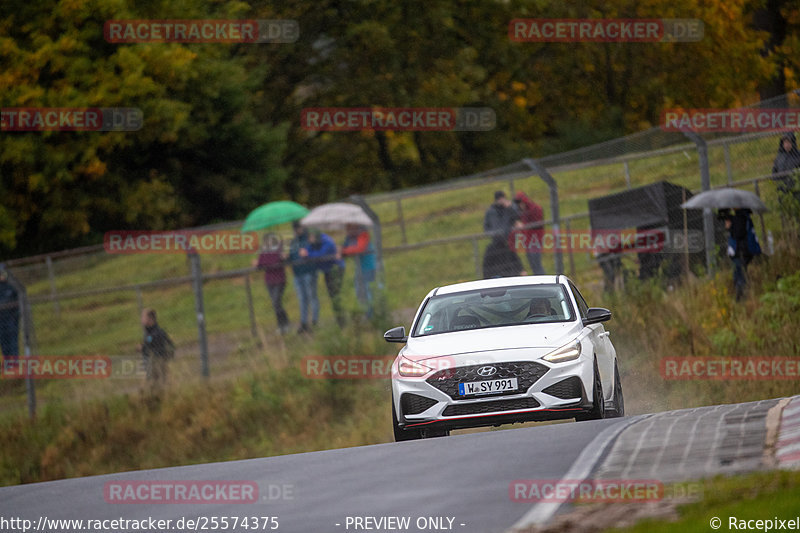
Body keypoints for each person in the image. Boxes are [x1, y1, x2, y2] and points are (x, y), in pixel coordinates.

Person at [306, 229, 346, 327]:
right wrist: (308, 253)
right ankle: (340, 319)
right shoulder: (314, 243)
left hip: (336, 270)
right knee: (332, 295)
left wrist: (308, 254)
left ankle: (342, 320)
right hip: (327, 271)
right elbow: (307, 251)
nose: (310, 239)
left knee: (335, 294)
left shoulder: (328, 242)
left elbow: (321, 255)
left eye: (311, 237)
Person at [253, 233, 290, 335]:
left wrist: (284, 257)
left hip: (279, 280)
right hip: (269, 281)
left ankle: (284, 324)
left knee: (276, 302)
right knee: (276, 304)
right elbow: (260, 265)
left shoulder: (279, 250)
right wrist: (256, 264)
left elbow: (283, 261)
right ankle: (283, 324)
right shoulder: (264, 252)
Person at [722, 208, 762, 301]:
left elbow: (738, 234)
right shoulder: (745, 216)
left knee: (739, 274)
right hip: (744, 251)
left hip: (741, 251)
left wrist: (730, 227)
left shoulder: (740, 217)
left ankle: (742, 297)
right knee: (739, 273)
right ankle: (741, 296)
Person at [483, 191, 522, 279]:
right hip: (496, 240)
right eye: (499, 199)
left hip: (508, 239)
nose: (501, 201)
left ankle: (515, 273)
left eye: (502, 199)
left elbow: (516, 218)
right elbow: (486, 226)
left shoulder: (508, 209)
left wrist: (509, 208)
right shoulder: (491, 212)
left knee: (511, 258)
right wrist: (492, 233)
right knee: (497, 258)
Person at [288, 221, 318, 333]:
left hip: (309, 272)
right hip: (297, 274)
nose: (297, 230)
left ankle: (315, 321)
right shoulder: (293, 242)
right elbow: (291, 256)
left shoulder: (309, 239)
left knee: (312, 296)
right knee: (302, 299)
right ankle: (304, 323)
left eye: (298, 228)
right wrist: (286, 257)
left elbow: (316, 251)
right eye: (295, 228)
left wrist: (308, 251)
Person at [341, 223, 376, 318]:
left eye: (349, 228)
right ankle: (365, 312)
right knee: (359, 291)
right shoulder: (351, 238)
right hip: (360, 269)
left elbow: (360, 248)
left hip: (368, 267)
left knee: (367, 291)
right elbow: (345, 248)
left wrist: (344, 251)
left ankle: (370, 313)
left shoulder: (363, 235)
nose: (348, 231)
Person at [510, 191, 546, 275]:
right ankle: (538, 280)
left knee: (536, 264)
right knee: (533, 265)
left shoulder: (535, 208)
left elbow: (537, 223)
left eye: (520, 202)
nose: (519, 205)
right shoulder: (522, 211)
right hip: (528, 241)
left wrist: (523, 226)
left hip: (536, 240)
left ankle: (541, 280)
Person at [139, 308, 175, 392]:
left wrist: (143, 347)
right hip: (151, 364)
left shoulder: (157, 333)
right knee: (152, 384)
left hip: (157, 363)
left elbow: (153, 345)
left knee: (157, 384)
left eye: (143, 317)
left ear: (150, 319)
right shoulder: (149, 333)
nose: (141, 320)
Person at [0, 267, 19, 370]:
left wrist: (15, 315)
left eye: (2, 274)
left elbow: (17, 302)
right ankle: (7, 363)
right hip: (1, 320)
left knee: (13, 341)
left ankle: (15, 362)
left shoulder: (11, 287)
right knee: (4, 342)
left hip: (11, 319)